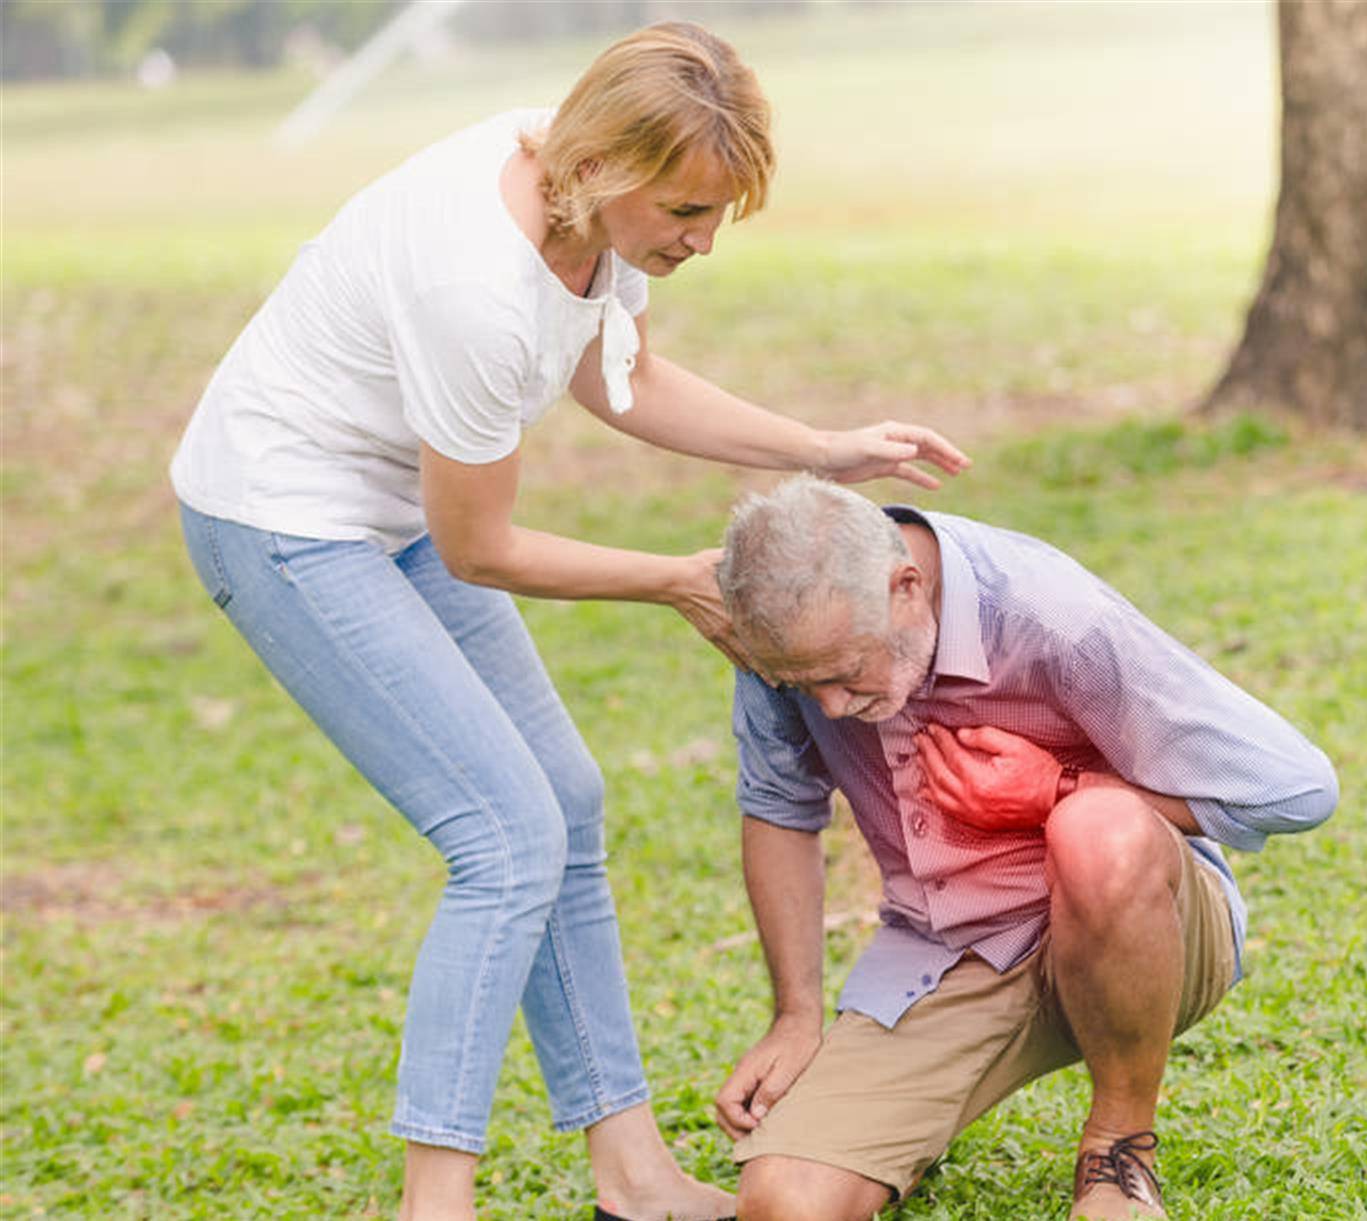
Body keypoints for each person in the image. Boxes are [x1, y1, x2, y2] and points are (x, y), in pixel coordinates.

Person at [168, 24, 967, 1221]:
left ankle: (634, 1176)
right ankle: (432, 1206)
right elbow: (479, 548)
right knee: (502, 838)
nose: (703, 240)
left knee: (567, 803)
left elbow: (622, 375)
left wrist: (823, 447)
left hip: (392, 510)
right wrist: (677, 579)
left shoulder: (584, 198)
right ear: (607, 171)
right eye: (691, 212)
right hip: (283, 520)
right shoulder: (473, 287)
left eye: (719, 215)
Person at [708, 476, 1338, 1220]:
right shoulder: (783, 640)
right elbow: (780, 807)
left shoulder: (1049, 611)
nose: (831, 708)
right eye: (801, 685)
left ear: (906, 586)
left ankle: (1119, 1151)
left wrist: (1053, 790)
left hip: (1139, 920)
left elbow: (1297, 787)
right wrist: (795, 1014)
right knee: (784, 1203)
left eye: (846, 674)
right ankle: (906, 1126)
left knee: (1094, 828)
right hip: (947, 955)